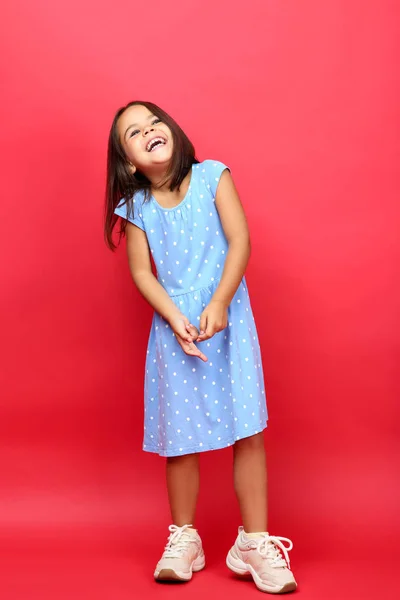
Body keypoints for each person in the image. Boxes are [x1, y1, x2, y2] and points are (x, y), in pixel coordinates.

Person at [104, 101, 297, 594]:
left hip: (228, 320)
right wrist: (174, 318)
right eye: (134, 132)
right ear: (128, 162)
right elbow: (142, 272)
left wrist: (220, 302)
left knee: (247, 428)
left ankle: (253, 541)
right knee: (181, 439)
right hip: (177, 330)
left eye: (154, 122)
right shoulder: (136, 208)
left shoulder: (214, 176)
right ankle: (184, 536)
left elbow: (239, 241)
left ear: (171, 129)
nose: (149, 131)